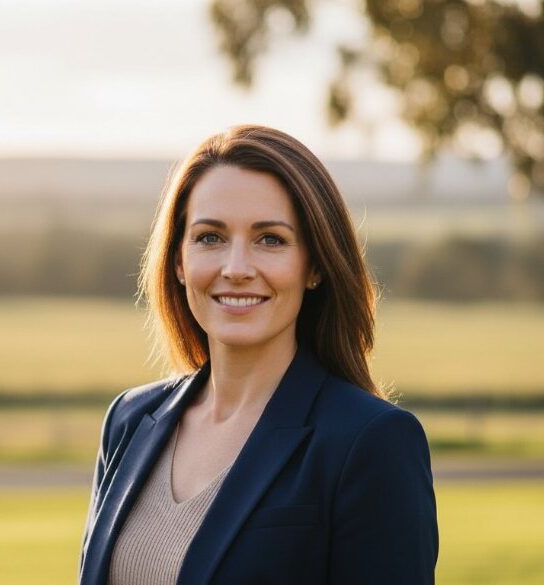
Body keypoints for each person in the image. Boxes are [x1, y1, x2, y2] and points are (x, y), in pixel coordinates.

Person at [78, 124, 438, 585]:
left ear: (314, 266)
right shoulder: (129, 420)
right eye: (210, 237)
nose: (236, 268)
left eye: (270, 239)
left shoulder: (370, 442)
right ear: (178, 262)